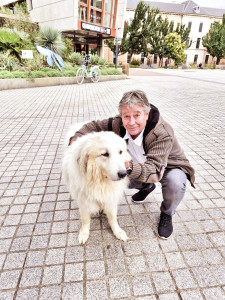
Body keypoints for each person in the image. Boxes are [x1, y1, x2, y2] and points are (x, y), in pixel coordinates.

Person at [69, 90, 195, 239]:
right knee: (115, 180)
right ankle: (147, 186)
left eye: (137, 115)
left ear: (146, 114)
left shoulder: (162, 133)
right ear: (121, 116)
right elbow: (94, 126)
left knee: (175, 182)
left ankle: (167, 213)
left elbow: (154, 170)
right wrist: (75, 139)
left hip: (167, 166)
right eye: (126, 116)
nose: (131, 122)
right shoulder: (117, 123)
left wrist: (126, 168)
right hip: (139, 165)